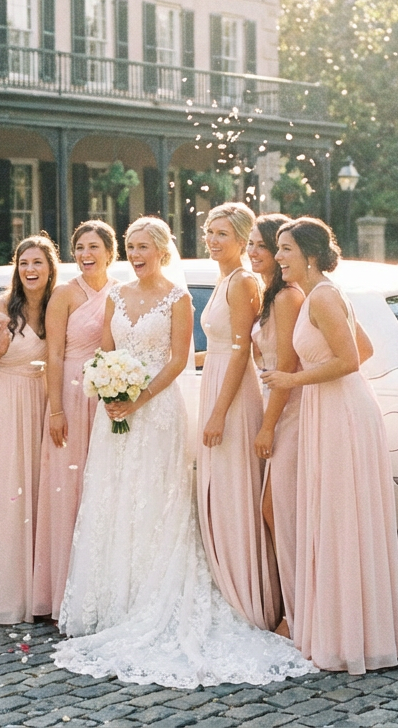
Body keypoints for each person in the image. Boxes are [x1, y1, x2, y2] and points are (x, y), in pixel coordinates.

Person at [54, 217, 315, 689]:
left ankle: (173, 594)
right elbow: (106, 352)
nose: (136, 255)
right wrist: (109, 390)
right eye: (130, 247)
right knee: (115, 499)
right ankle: (120, 600)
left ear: (161, 249)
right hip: (115, 410)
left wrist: (137, 397)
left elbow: (178, 360)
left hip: (158, 410)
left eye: (144, 246)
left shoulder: (180, 297)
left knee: (159, 500)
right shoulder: (115, 294)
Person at [263, 217, 398, 674]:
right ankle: (342, 627)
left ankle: (349, 637)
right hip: (334, 408)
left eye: (285, 249)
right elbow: (362, 349)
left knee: (341, 518)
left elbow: (350, 360)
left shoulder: (324, 296)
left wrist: (293, 378)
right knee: (336, 516)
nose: (279, 258)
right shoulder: (320, 295)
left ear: (308, 254)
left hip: (341, 412)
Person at [0, 235, 57, 625]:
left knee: (36, 493)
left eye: (38, 263)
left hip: (40, 402)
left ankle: (38, 593)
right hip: (1, 403)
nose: (30, 270)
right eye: (24, 264)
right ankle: (3, 596)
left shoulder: (58, 305)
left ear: (51, 267)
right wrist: (0, 347)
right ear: (16, 269)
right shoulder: (0, 307)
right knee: (5, 495)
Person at [196, 203, 279, 631]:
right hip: (217, 382)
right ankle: (230, 588)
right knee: (218, 493)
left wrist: (217, 413)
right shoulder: (222, 279)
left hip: (233, 396)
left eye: (222, 234)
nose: (212, 240)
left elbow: (240, 350)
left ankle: (248, 599)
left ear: (243, 240)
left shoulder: (242, 280)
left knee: (233, 492)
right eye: (209, 232)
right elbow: (220, 344)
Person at [33, 221, 119, 620]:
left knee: (102, 489)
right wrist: (55, 408)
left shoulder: (122, 291)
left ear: (109, 250)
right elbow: (53, 354)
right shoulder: (65, 294)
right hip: (69, 393)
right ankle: (61, 591)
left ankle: (101, 590)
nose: (86, 254)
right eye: (80, 247)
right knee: (66, 488)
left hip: (109, 398)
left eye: (94, 246)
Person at [247, 214, 305, 638]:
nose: (252, 252)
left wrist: (267, 427)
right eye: (250, 244)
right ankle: (290, 607)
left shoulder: (286, 297)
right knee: (276, 511)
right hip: (277, 401)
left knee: (280, 511)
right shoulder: (269, 295)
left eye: (260, 247)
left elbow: (286, 364)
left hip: (291, 409)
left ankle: (296, 615)